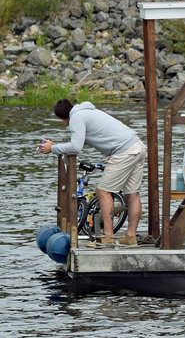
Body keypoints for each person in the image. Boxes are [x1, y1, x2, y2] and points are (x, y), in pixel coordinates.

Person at [38, 99, 146, 247]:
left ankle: (107, 237)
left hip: (124, 151)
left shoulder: (76, 118)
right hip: (137, 145)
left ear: (63, 119)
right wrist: (55, 146)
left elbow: (76, 147)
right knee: (132, 194)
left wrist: (52, 149)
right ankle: (130, 237)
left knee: (103, 191)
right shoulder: (87, 111)